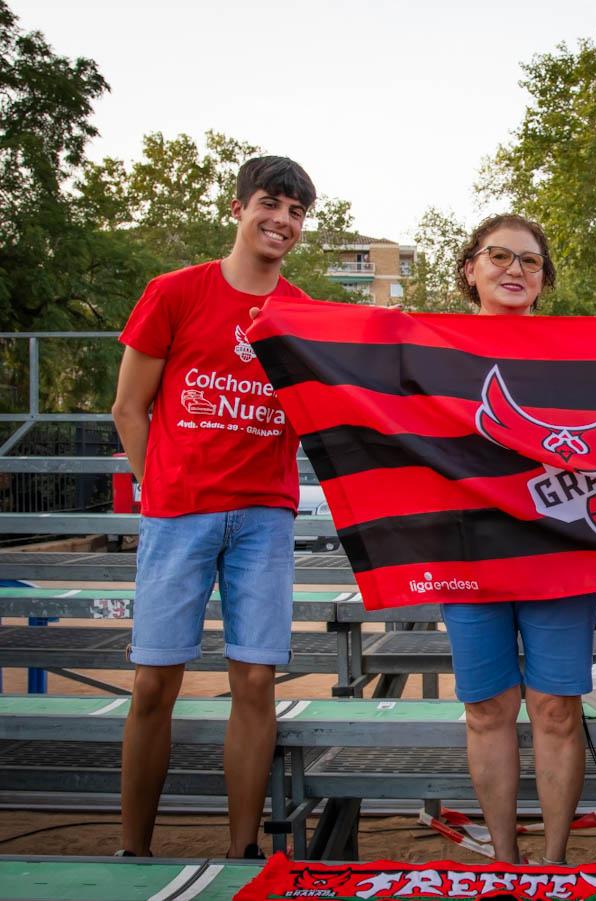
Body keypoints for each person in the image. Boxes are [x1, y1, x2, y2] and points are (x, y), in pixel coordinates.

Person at [111, 156, 316, 858]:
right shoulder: (173, 292)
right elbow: (128, 407)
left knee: (255, 678)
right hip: (180, 513)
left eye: (295, 211)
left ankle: (240, 849)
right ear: (237, 208)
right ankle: (134, 849)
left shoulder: (301, 314)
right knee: (152, 682)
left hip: (264, 514)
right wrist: (160, 486)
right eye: (271, 203)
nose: (282, 220)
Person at [441, 213, 596, 865]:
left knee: (557, 708)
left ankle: (554, 861)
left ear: (544, 279)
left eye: (529, 261)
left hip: (557, 549)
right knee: (487, 709)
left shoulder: (576, 349)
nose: (514, 269)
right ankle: (504, 859)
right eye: (499, 256)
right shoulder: (432, 345)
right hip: (467, 549)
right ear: (470, 268)